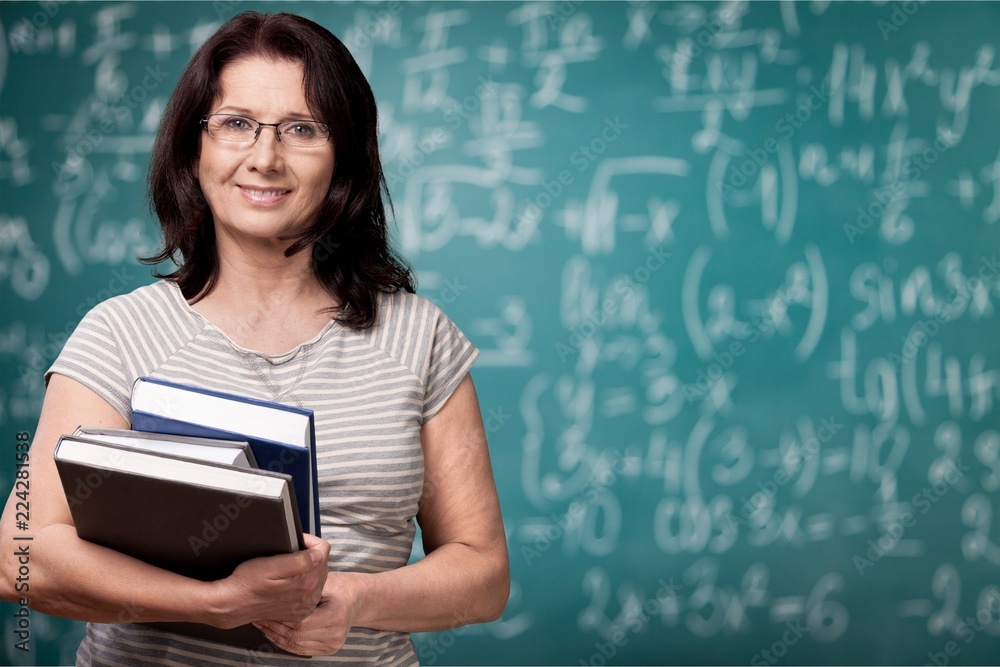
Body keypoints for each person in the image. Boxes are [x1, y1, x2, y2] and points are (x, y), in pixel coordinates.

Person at [0, 11, 509, 665]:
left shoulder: (421, 337)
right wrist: (213, 601)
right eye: (236, 123)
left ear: (344, 156)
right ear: (195, 146)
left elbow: (484, 574)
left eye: (301, 129)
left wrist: (350, 599)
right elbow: (21, 553)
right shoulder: (119, 333)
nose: (264, 158)